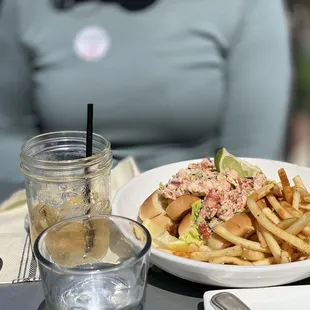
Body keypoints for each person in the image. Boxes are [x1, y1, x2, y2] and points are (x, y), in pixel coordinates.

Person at [0, 0, 291, 189]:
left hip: (195, 203)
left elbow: (250, 157)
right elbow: (7, 137)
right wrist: (75, 191)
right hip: (66, 205)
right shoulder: (25, 8)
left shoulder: (248, 6)